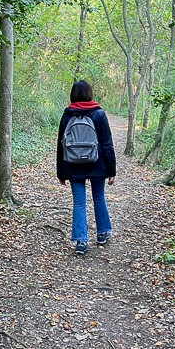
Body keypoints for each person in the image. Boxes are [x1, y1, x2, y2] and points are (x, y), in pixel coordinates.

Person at [56, 80, 116, 255]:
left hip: (73, 165)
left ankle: (81, 241)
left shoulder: (67, 115)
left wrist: (61, 172)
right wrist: (111, 170)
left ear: (73, 95)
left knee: (79, 203)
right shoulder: (99, 114)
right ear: (90, 93)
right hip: (97, 164)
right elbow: (107, 143)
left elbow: (61, 146)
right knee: (99, 197)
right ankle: (102, 233)